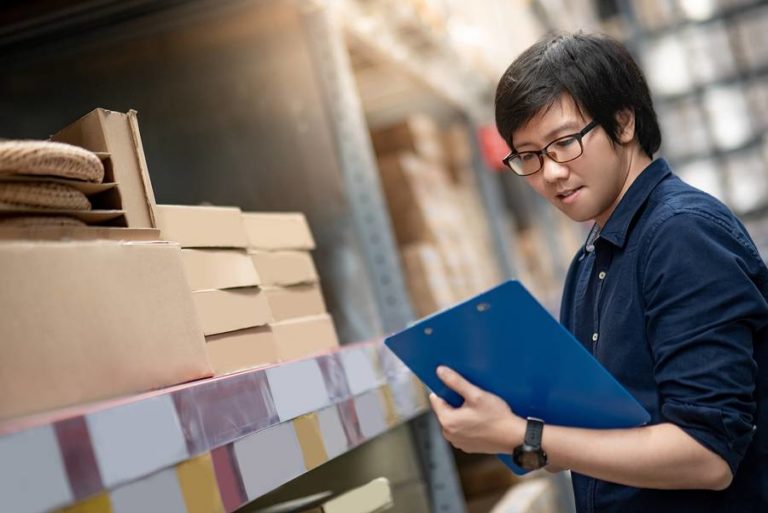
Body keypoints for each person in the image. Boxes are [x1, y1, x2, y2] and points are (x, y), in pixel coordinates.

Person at [428, 32, 767, 513]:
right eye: (528, 155)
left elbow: (707, 455)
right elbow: (596, 436)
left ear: (623, 123)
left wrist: (523, 434)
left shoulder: (681, 236)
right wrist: (507, 427)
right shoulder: (591, 262)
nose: (550, 173)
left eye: (563, 143)